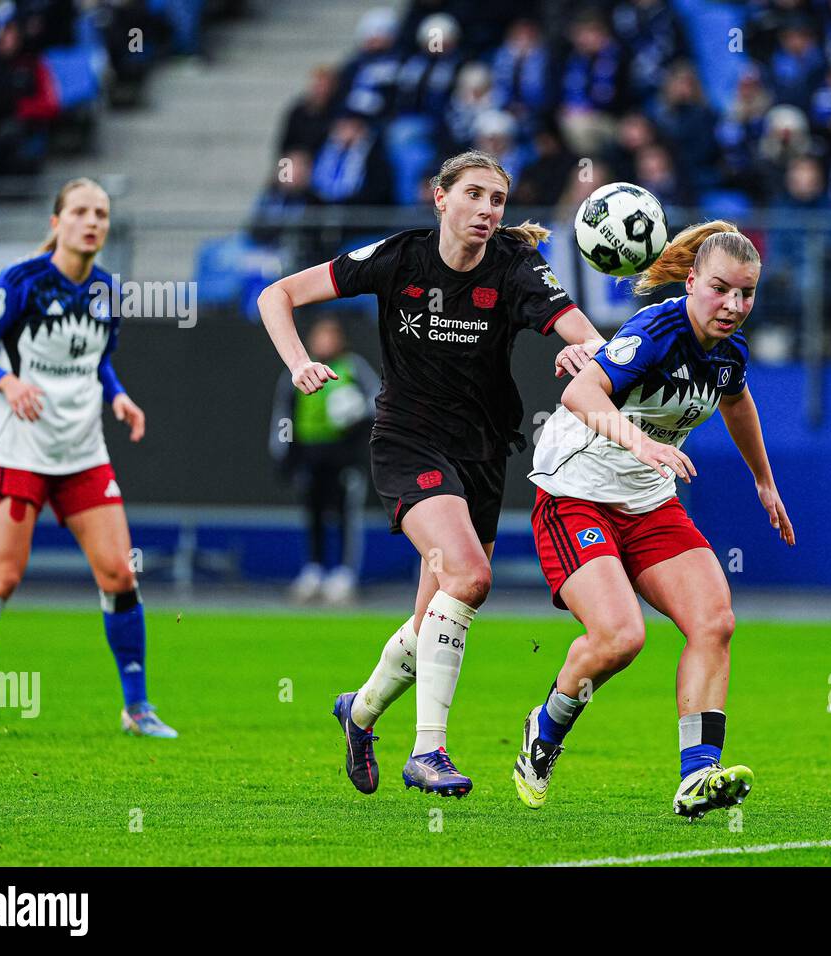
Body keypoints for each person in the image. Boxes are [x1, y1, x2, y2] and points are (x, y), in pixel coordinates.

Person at [256, 149, 605, 798]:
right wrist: (300, 361)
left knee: (430, 626)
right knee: (470, 577)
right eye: (473, 195)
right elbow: (276, 294)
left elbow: (573, 327)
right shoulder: (399, 256)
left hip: (481, 452)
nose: (486, 210)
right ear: (439, 198)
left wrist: (593, 353)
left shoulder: (516, 264)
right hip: (408, 444)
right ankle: (429, 752)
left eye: (496, 200)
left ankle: (358, 713)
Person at [512, 221, 796, 819]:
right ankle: (545, 728)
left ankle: (699, 774)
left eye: (746, 294)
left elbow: (736, 398)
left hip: (647, 501)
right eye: (721, 289)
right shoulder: (657, 328)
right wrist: (645, 446)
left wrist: (763, 480)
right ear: (692, 281)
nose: (734, 305)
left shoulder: (728, 351)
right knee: (621, 638)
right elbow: (580, 395)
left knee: (714, 621)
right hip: (575, 492)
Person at [0, 178, 177, 737]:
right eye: (79, 211)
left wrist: (117, 394)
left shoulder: (107, 293)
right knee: (1, 574)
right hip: (17, 449)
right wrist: (6, 383)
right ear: (56, 222)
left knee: (119, 571)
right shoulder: (21, 282)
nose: (92, 221)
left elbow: (96, 360)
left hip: (81, 451)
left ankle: (137, 707)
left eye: (101, 213)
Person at [269, 318, 377, 605]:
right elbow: (284, 414)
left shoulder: (352, 367)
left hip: (345, 456)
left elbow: (379, 399)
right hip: (310, 454)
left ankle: (344, 575)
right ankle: (313, 570)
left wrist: (357, 415)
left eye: (331, 337)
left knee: (346, 514)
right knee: (313, 513)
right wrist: (284, 452)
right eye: (321, 336)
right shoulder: (298, 370)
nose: (325, 343)